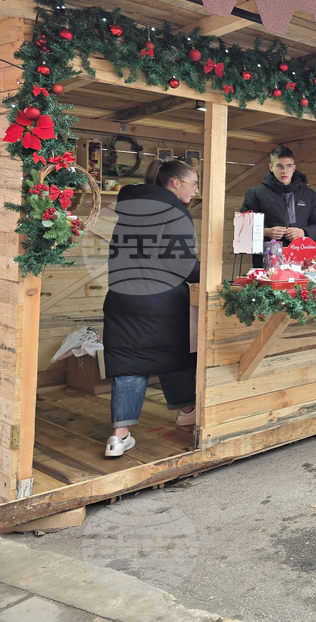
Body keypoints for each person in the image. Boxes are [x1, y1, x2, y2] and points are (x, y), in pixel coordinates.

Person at [103, 159, 201, 457]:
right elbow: (183, 264)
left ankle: (119, 438)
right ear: (174, 183)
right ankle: (187, 412)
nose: (196, 190)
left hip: (122, 297)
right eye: (193, 184)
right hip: (161, 300)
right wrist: (208, 273)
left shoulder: (130, 207)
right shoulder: (174, 212)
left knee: (129, 362)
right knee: (175, 354)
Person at [240, 146, 316, 268]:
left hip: (302, 260)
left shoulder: (309, 195)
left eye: (288, 166)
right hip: (268, 261)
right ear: (271, 167)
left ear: (294, 168)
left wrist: (303, 232)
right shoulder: (256, 194)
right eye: (279, 166)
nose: (284, 171)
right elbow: (242, 229)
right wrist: (266, 232)